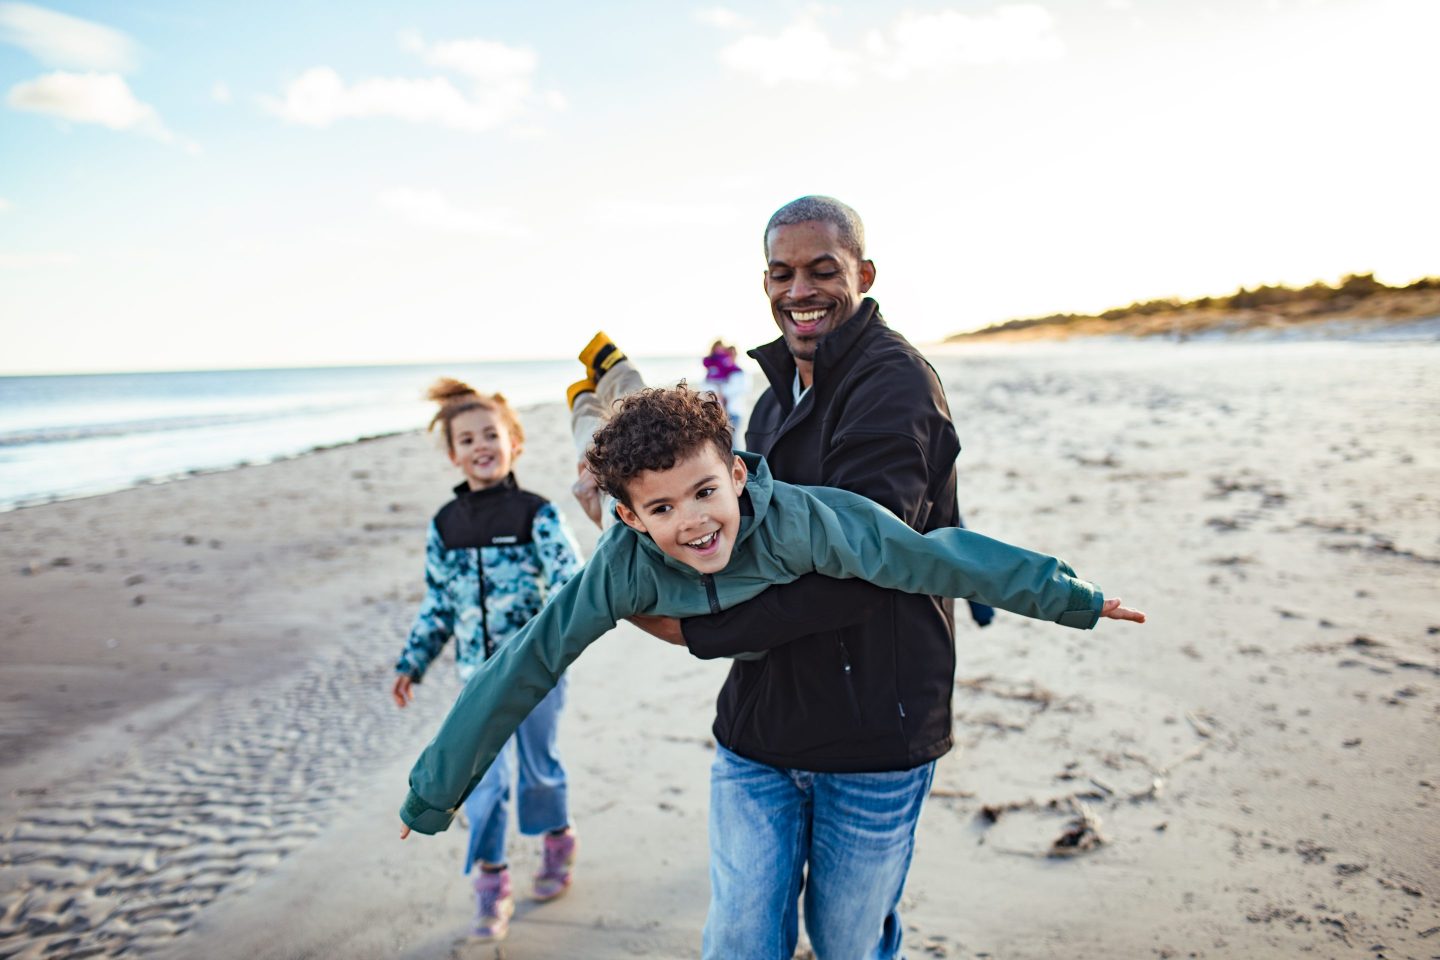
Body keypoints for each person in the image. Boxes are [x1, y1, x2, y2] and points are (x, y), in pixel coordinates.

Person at [398, 382, 1144, 847]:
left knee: (636, 414)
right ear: (634, 518)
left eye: (705, 494)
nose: (693, 522)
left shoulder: (806, 523)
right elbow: (524, 663)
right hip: (630, 533)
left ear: (740, 475)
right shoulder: (620, 559)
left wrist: (1066, 596)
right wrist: (433, 793)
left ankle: (613, 384)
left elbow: (932, 557)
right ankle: (589, 396)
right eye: (661, 508)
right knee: (590, 452)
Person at [629, 195, 999, 959]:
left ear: (862, 273)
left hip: (874, 730)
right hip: (761, 725)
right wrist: (633, 526)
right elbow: (730, 542)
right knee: (738, 939)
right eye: (781, 272)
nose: (800, 289)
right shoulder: (771, 400)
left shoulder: (894, 385)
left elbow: (867, 564)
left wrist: (701, 632)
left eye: (822, 269)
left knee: (848, 944)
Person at [390, 378, 583, 942]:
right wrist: (413, 661)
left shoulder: (536, 513)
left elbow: (570, 582)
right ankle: (491, 883)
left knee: (539, 770)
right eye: (467, 438)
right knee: (485, 785)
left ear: (514, 443)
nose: (481, 446)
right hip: (475, 682)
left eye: (491, 435)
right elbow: (438, 605)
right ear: (453, 453)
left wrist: (552, 644)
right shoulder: (445, 527)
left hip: (535, 676)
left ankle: (557, 841)